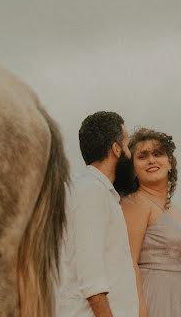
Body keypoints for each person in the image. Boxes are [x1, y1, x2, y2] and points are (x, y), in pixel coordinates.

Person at [57, 111, 139, 317]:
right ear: (116, 149)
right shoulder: (91, 192)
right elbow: (92, 280)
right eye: (127, 146)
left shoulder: (97, 192)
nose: (130, 154)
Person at [117, 128, 181, 317]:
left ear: (170, 163)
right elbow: (127, 263)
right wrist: (140, 311)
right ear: (133, 169)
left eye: (158, 154)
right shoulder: (135, 204)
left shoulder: (176, 211)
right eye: (142, 156)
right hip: (156, 302)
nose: (151, 160)